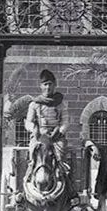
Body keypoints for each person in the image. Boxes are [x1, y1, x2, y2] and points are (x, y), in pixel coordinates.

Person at [24, 69, 78, 202]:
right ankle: (27, 181)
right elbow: (28, 122)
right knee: (34, 157)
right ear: (40, 86)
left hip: (56, 138)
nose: (48, 87)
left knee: (60, 160)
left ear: (55, 85)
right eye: (45, 84)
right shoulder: (34, 104)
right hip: (39, 137)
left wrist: (59, 131)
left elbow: (66, 121)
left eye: (50, 84)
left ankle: (69, 189)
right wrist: (34, 129)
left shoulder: (60, 103)